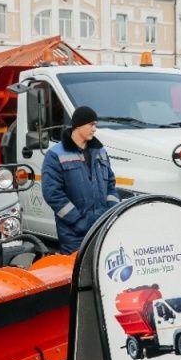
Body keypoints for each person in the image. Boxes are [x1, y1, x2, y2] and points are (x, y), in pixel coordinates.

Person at [41, 106, 120, 254]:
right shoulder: (55, 154)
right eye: (91, 124)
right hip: (74, 235)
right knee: (76, 273)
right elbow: (52, 193)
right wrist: (78, 222)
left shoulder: (101, 152)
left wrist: (109, 214)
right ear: (78, 125)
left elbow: (111, 184)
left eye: (95, 125)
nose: (94, 129)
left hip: (102, 228)